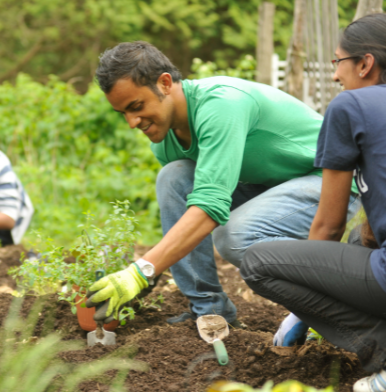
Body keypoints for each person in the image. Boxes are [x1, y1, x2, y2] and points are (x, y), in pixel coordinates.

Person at [85, 41, 360, 328]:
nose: (132, 122)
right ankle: (208, 310)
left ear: (165, 83)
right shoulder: (165, 141)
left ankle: (332, 304)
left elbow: (209, 206)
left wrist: (142, 271)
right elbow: (192, 210)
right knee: (174, 177)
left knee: (235, 236)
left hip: (328, 181)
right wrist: (148, 275)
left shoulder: (220, 105)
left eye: (136, 106)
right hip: (268, 186)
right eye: (123, 113)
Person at [240, 13, 386, 392]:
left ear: (365, 63)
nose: (336, 76)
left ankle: (383, 356)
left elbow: (329, 225)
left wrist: (302, 311)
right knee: (361, 242)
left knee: (258, 262)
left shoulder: (351, 106)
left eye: (338, 63)